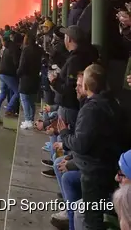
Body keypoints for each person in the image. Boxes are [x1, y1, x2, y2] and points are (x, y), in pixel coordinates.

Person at [56, 64, 129, 230]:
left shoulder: (91, 109)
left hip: (94, 173)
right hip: (105, 168)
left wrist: (65, 133)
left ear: (86, 86)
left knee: (91, 220)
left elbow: (81, 144)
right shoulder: (112, 103)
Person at [17, 32, 42, 130]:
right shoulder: (39, 50)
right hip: (35, 78)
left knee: (24, 98)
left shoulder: (26, 50)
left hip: (26, 79)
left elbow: (22, 65)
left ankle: (28, 120)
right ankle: (31, 119)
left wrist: (18, 72)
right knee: (32, 100)